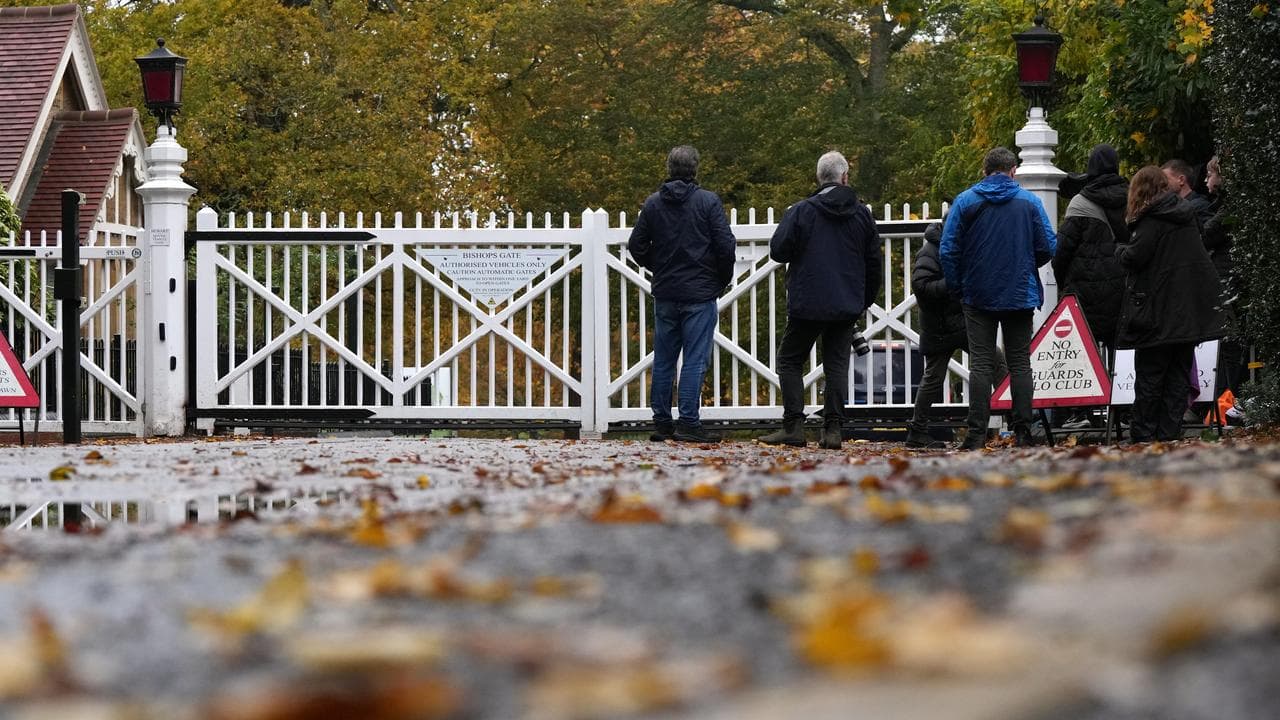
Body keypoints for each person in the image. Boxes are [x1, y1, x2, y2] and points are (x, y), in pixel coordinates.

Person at [759, 151, 882, 449]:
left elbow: (778, 251)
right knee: (837, 365)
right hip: (844, 304)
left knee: (789, 360)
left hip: (807, 301)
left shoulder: (802, 211)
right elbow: (874, 262)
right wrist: (862, 301)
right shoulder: (861, 214)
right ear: (844, 178)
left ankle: (794, 426)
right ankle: (833, 431)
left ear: (819, 178)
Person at [939, 147, 1056, 450]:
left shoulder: (966, 202)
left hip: (977, 293)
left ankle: (976, 433)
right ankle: (1023, 432)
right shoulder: (1029, 202)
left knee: (980, 363)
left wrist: (958, 286)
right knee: (1020, 363)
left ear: (984, 170)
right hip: (1019, 291)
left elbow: (948, 249)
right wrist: (1026, 264)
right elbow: (1047, 244)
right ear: (1013, 170)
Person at [628, 145, 736, 443]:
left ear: (669, 168)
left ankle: (662, 423)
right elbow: (726, 246)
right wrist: (720, 279)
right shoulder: (708, 202)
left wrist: (659, 266)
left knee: (664, 358)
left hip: (666, 292)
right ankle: (689, 421)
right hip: (699, 293)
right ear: (695, 169)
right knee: (694, 359)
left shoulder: (653, 204)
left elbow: (636, 246)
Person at [1115, 166, 1225, 442]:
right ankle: (1169, 434)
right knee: (1178, 374)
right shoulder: (1186, 215)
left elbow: (1136, 257)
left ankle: (1143, 435)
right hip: (1188, 312)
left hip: (1157, 311)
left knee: (1151, 375)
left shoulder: (1151, 220)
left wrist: (1118, 251)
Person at [905, 219, 1007, 448]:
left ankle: (1012, 419)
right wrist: (954, 284)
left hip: (961, 321)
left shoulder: (961, 245)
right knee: (934, 377)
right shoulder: (929, 252)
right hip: (940, 325)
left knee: (995, 360)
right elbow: (921, 287)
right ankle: (917, 431)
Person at [1052, 144, 1129, 428]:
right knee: (1121, 348)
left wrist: (1063, 285)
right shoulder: (1130, 195)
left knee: (1080, 349)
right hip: (1122, 285)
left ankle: (1082, 413)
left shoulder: (1081, 201)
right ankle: (1123, 412)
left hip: (1083, 289)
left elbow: (1063, 251)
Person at [1202, 155, 1247, 401]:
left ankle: (1238, 398)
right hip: (1228, 275)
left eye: (1210, 175)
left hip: (1229, 278)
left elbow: (1208, 233)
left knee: (1231, 341)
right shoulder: (1223, 206)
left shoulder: (1229, 209)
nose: (1206, 180)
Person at [1161, 159, 1213, 224]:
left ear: (1181, 180)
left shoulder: (1199, 206)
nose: (1162, 184)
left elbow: (1210, 231)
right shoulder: (1174, 207)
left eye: (1165, 179)